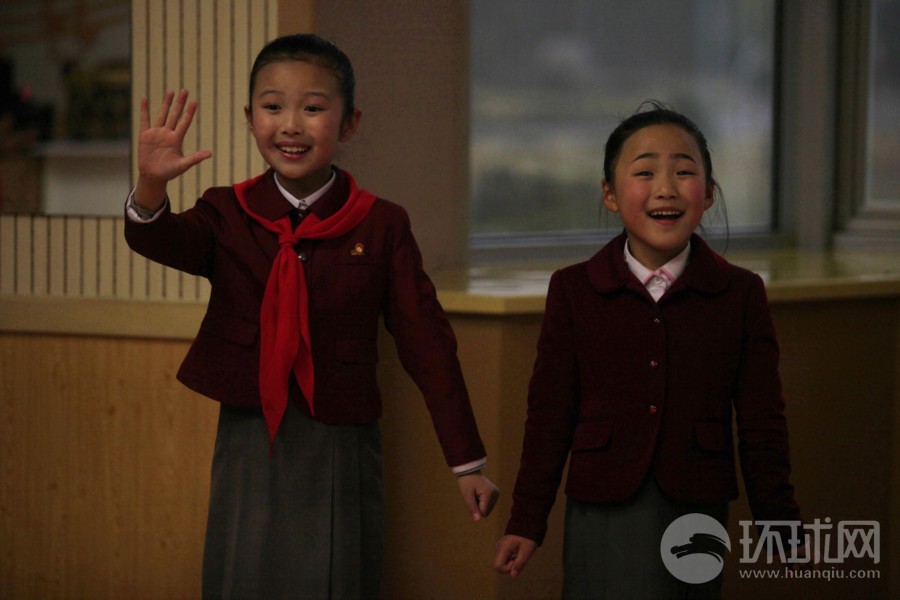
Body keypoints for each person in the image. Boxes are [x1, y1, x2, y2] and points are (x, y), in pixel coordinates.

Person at [124, 33, 498, 599]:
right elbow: (160, 240)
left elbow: (428, 344)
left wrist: (466, 462)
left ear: (348, 124)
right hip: (251, 433)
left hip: (341, 438)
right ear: (251, 119)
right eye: (273, 107)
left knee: (338, 577)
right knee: (241, 574)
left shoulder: (381, 224)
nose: (291, 124)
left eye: (314, 108)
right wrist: (151, 185)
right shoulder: (226, 210)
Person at [492, 102, 803, 598]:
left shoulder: (740, 294)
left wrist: (778, 521)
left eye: (684, 171)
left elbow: (763, 419)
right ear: (610, 195)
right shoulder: (574, 290)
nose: (666, 187)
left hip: (696, 502)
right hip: (603, 504)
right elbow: (549, 415)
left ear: (709, 194)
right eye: (644, 172)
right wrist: (527, 520)